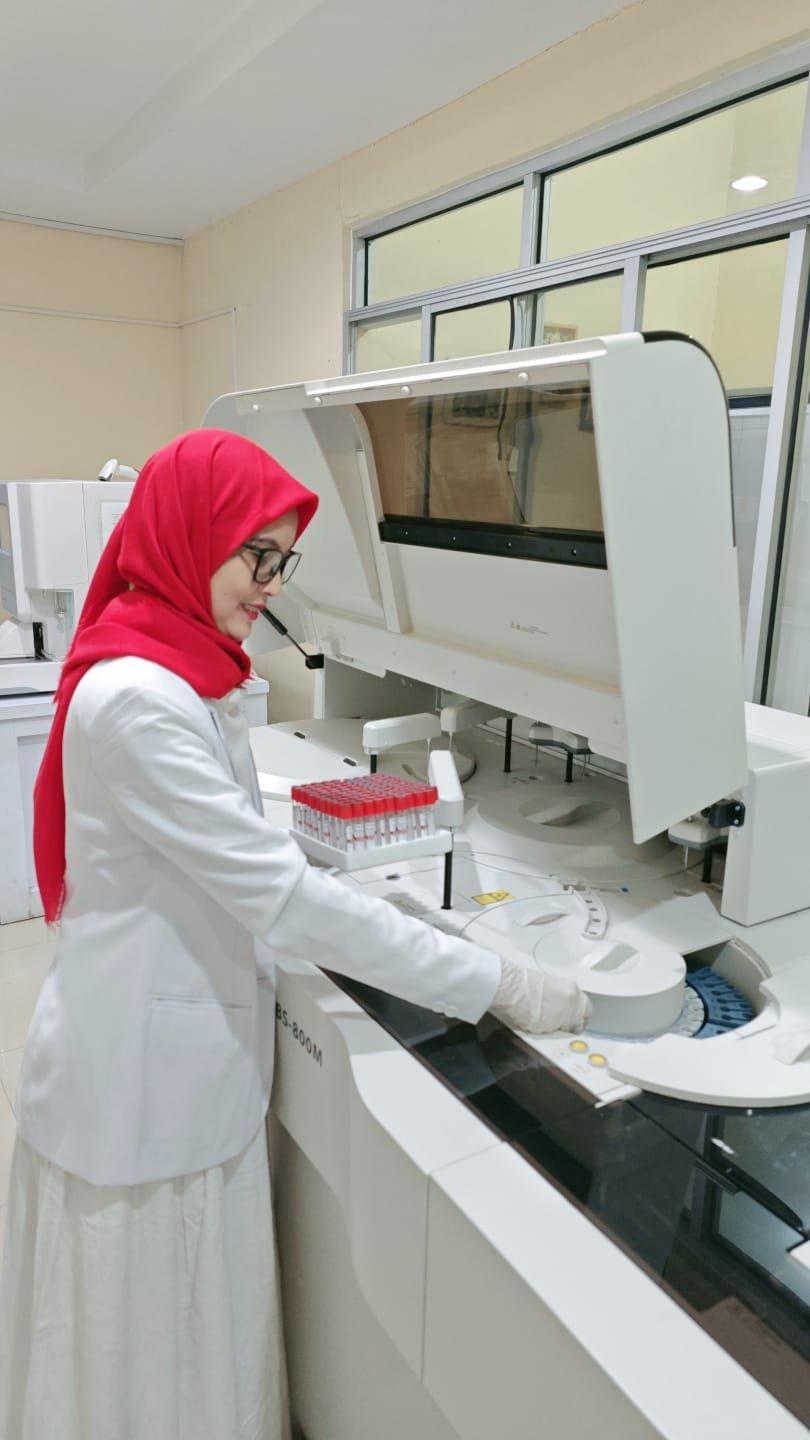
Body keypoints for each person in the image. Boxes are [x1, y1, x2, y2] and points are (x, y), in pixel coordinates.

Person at [0, 429, 590, 1440]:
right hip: (139, 1082)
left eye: (283, 560)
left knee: (182, 1349)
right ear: (189, 535)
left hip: (170, 1053)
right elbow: (276, 895)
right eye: (256, 555)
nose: (270, 586)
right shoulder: (139, 698)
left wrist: (377, 901)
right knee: (143, 1360)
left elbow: (237, 851)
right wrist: (492, 981)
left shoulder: (175, 663)